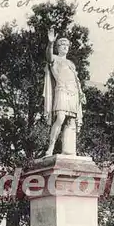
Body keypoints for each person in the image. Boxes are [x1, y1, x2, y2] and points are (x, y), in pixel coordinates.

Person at [43, 27, 86, 156]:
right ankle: (50, 148)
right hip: (61, 90)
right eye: (62, 45)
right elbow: (48, 56)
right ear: (58, 47)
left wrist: (81, 93)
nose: (65, 47)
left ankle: (68, 150)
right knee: (60, 118)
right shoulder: (55, 58)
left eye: (67, 45)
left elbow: (76, 80)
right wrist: (50, 43)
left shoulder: (71, 63)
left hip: (73, 93)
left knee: (70, 121)